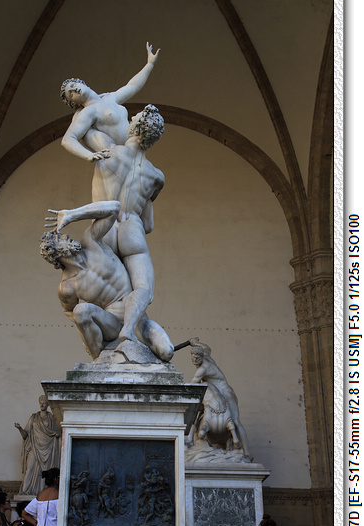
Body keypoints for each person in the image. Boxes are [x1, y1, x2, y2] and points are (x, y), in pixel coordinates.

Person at [48, 104, 166, 349]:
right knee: (143, 288)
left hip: (106, 228)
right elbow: (149, 224)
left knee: (104, 289)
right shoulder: (156, 176)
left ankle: (108, 336)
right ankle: (128, 330)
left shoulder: (108, 150)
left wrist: (87, 108)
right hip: (132, 229)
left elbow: (77, 133)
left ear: (132, 128)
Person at [42, 199, 173, 361]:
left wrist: (72, 214)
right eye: (60, 239)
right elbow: (70, 312)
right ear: (54, 252)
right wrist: (88, 332)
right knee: (80, 311)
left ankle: (128, 330)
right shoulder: (67, 286)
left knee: (166, 352)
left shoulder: (90, 242)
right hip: (110, 323)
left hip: (138, 317)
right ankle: (98, 361)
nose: (66, 237)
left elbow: (114, 208)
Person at [60, 42, 160, 162]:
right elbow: (68, 139)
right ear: (74, 103)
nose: (74, 90)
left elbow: (132, 86)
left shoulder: (110, 97)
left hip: (135, 151)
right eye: (71, 94)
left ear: (81, 82)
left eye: (73, 85)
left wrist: (150, 64)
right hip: (119, 157)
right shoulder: (88, 111)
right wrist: (88, 155)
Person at [186, 338, 251, 460]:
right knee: (197, 409)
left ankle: (247, 453)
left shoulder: (202, 369)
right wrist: (195, 343)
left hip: (224, 391)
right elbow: (207, 348)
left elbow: (192, 386)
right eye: (193, 357)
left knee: (236, 421)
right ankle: (192, 438)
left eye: (197, 357)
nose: (195, 360)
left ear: (201, 356)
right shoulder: (206, 355)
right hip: (212, 393)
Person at [15, 395, 61, 496]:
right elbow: (25, 435)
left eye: (44, 403)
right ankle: (24, 492)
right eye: (40, 403)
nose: (42, 405)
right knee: (30, 469)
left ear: (48, 404)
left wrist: (57, 435)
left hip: (48, 448)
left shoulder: (52, 418)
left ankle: (44, 493)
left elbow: (58, 432)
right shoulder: (33, 418)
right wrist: (20, 429)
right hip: (35, 447)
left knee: (46, 472)